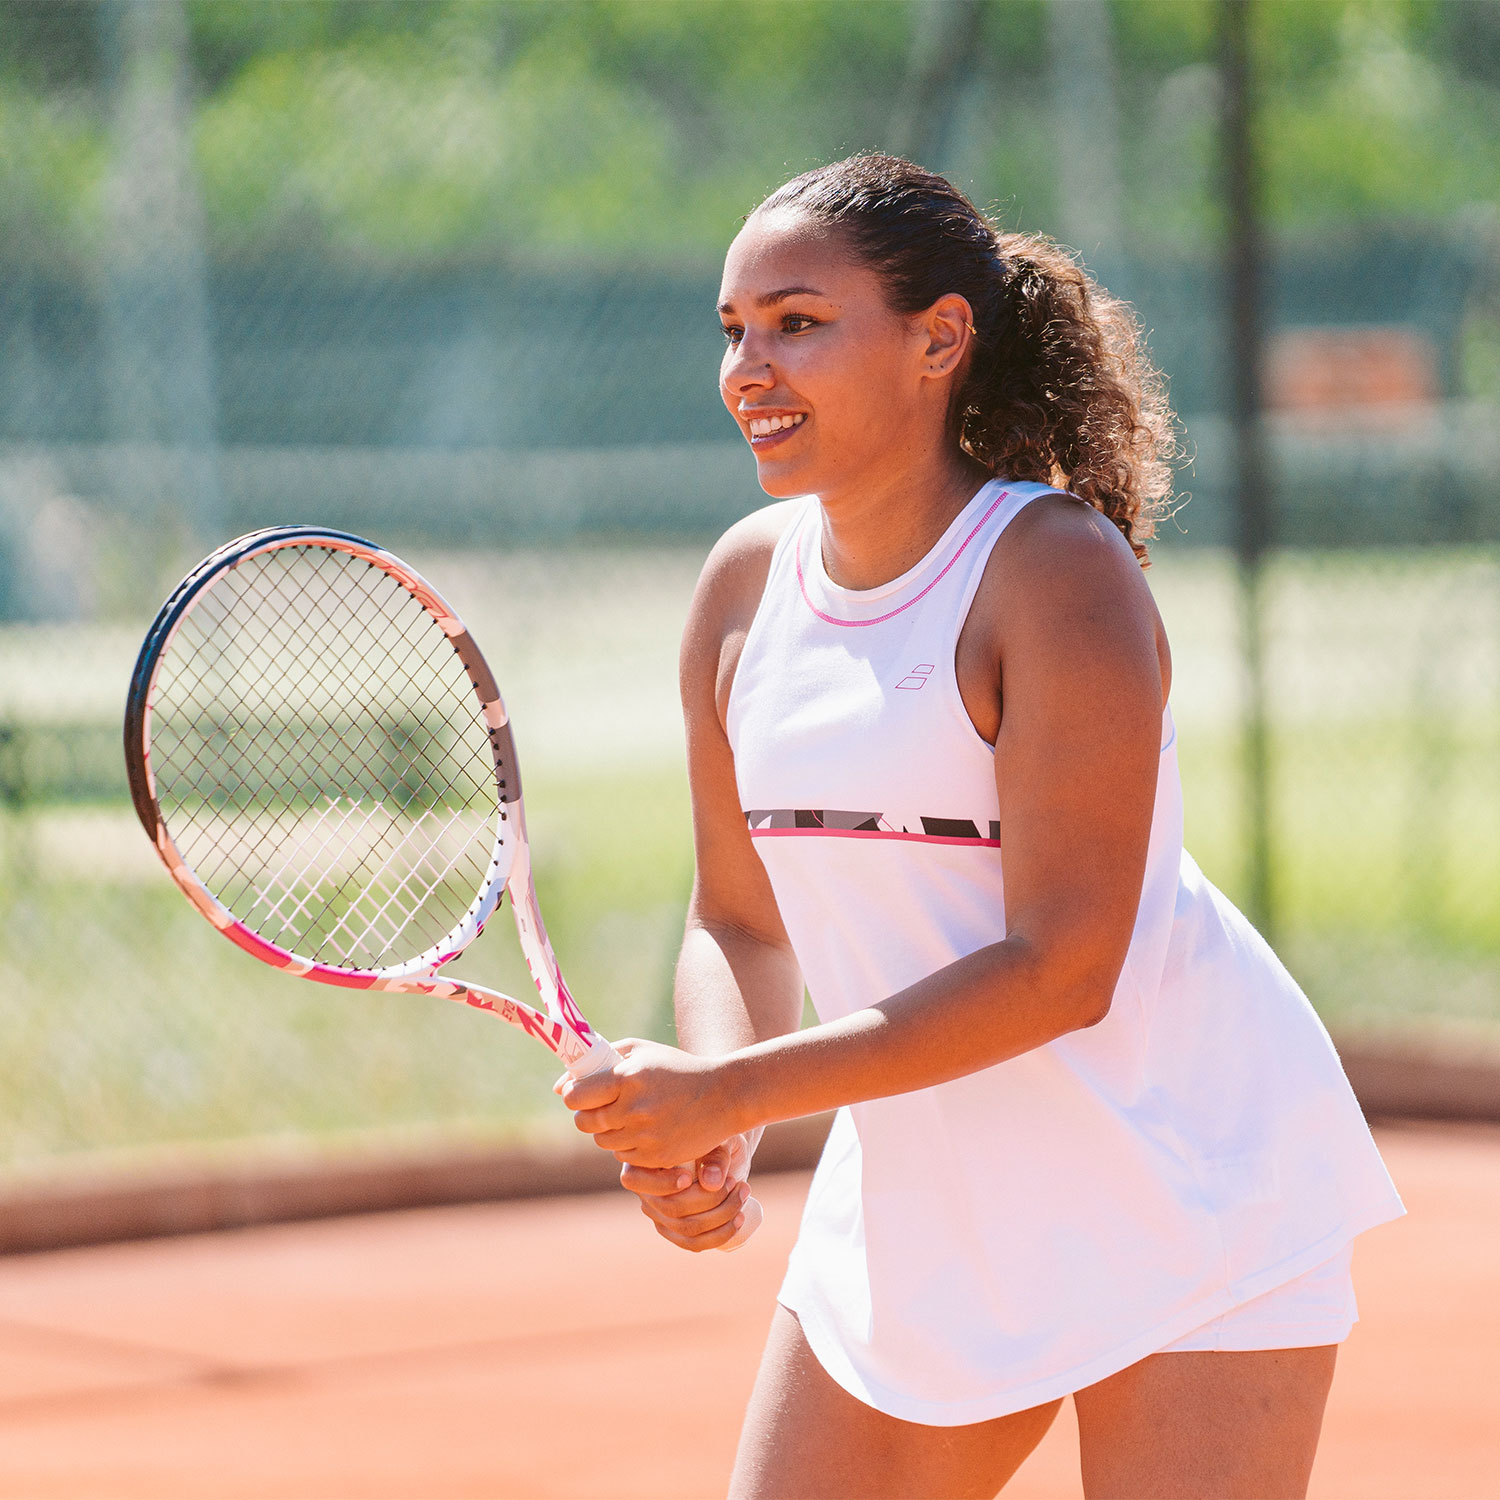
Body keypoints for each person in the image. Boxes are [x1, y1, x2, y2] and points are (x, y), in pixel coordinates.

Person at [562, 154, 1404, 1500]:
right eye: (734, 331)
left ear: (938, 339)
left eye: (798, 323)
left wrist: (740, 1091)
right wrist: (717, 1108)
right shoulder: (741, 589)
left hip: (1186, 1187)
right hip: (923, 1211)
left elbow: (1066, 965)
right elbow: (738, 918)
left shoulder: (1054, 571)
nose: (748, 370)